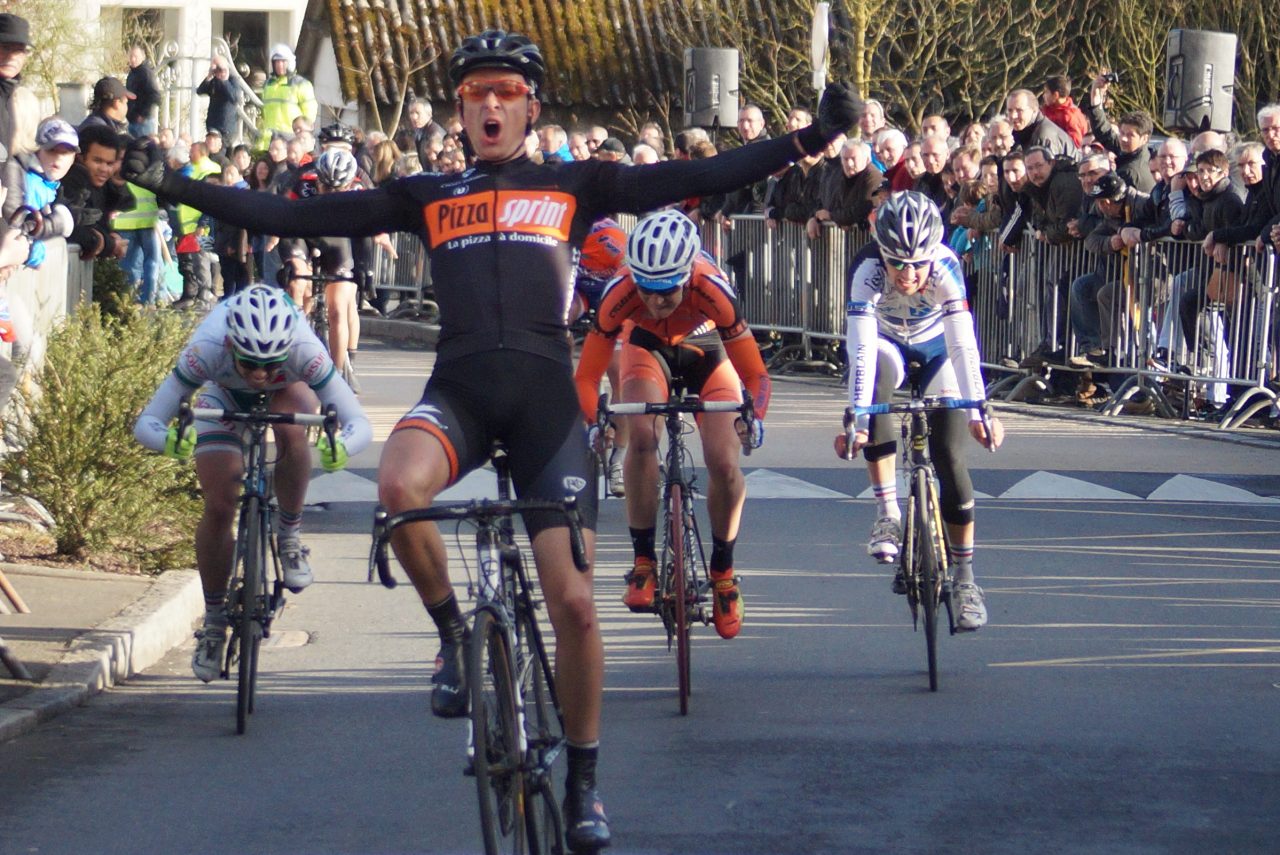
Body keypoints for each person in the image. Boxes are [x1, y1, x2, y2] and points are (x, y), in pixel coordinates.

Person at [122, 29, 862, 849]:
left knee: (575, 604)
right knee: (399, 488)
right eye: (476, 92)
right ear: (461, 107)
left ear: (531, 106)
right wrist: (181, 185)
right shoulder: (428, 192)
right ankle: (451, 639)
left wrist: (812, 138)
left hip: (546, 404)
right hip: (462, 391)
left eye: (506, 92)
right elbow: (292, 212)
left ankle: (584, 781)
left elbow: (691, 175)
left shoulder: (575, 183)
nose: (490, 104)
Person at [133, 285, 370, 682]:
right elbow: (148, 422)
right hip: (221, 395)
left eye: (270, 363)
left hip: (287, 393)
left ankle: (290, 535)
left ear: (287, 350)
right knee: (221, 502)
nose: (260, 374)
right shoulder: (207, 347)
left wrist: (341, 446)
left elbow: (356, 421)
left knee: (296, 432)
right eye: (249, 363)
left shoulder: (304, 351)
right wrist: (169, 440)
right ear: (231, 345)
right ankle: (212, 623)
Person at [574, 210, 769, 640]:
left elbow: (756, 376)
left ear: (687, 274)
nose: (656, 300)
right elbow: (587, 377)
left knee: (723, 462)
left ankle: (723, 573)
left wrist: (754, 417)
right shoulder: (619, 293)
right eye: (647, 289)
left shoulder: (713, 289)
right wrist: (595, 422)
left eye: (667, 291)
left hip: (708, 350)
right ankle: (644, 562)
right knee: (641, 436)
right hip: (647, 349)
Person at [835, 191, 1002, 630]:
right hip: (886, 342)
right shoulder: (867, 270)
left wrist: (979, 409)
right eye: (898, 263)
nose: (907, 274)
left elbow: (963, 342)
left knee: (949, 452)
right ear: (882, 255)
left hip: (935, 347)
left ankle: (966, 578)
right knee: (876, 393)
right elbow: (862, 347)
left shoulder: (946, 267)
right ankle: (888, 513)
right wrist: (857, 414)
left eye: (917, 264)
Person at [254, 44, 317, 150]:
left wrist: (302, 135)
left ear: (290, 63)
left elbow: (309, 114)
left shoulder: (301, 84)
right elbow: (263, 113)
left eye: (283, 62)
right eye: (276, 62)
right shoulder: (268, 84)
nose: (280, 65)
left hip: (291, 138)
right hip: (270, 139)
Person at [197, 56, 242, 141]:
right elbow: (200, 91)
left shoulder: (233, 80)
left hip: (226, 127)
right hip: (213, 125)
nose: (217, 71)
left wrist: (224, 81)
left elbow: (235, 98)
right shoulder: (214, 81)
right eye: (215, 68)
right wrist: (209, 77)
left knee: (221, 153)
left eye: (219, 67)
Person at [125, 45, 161, 139]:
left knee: (143, 147)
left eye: (135, 56)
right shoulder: (132, 74)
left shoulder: (146, 73)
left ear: (142, 57)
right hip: (133, 119)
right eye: (131, 56)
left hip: (143, 121)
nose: (133, 59)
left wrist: (143, 115)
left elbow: (155, 96)